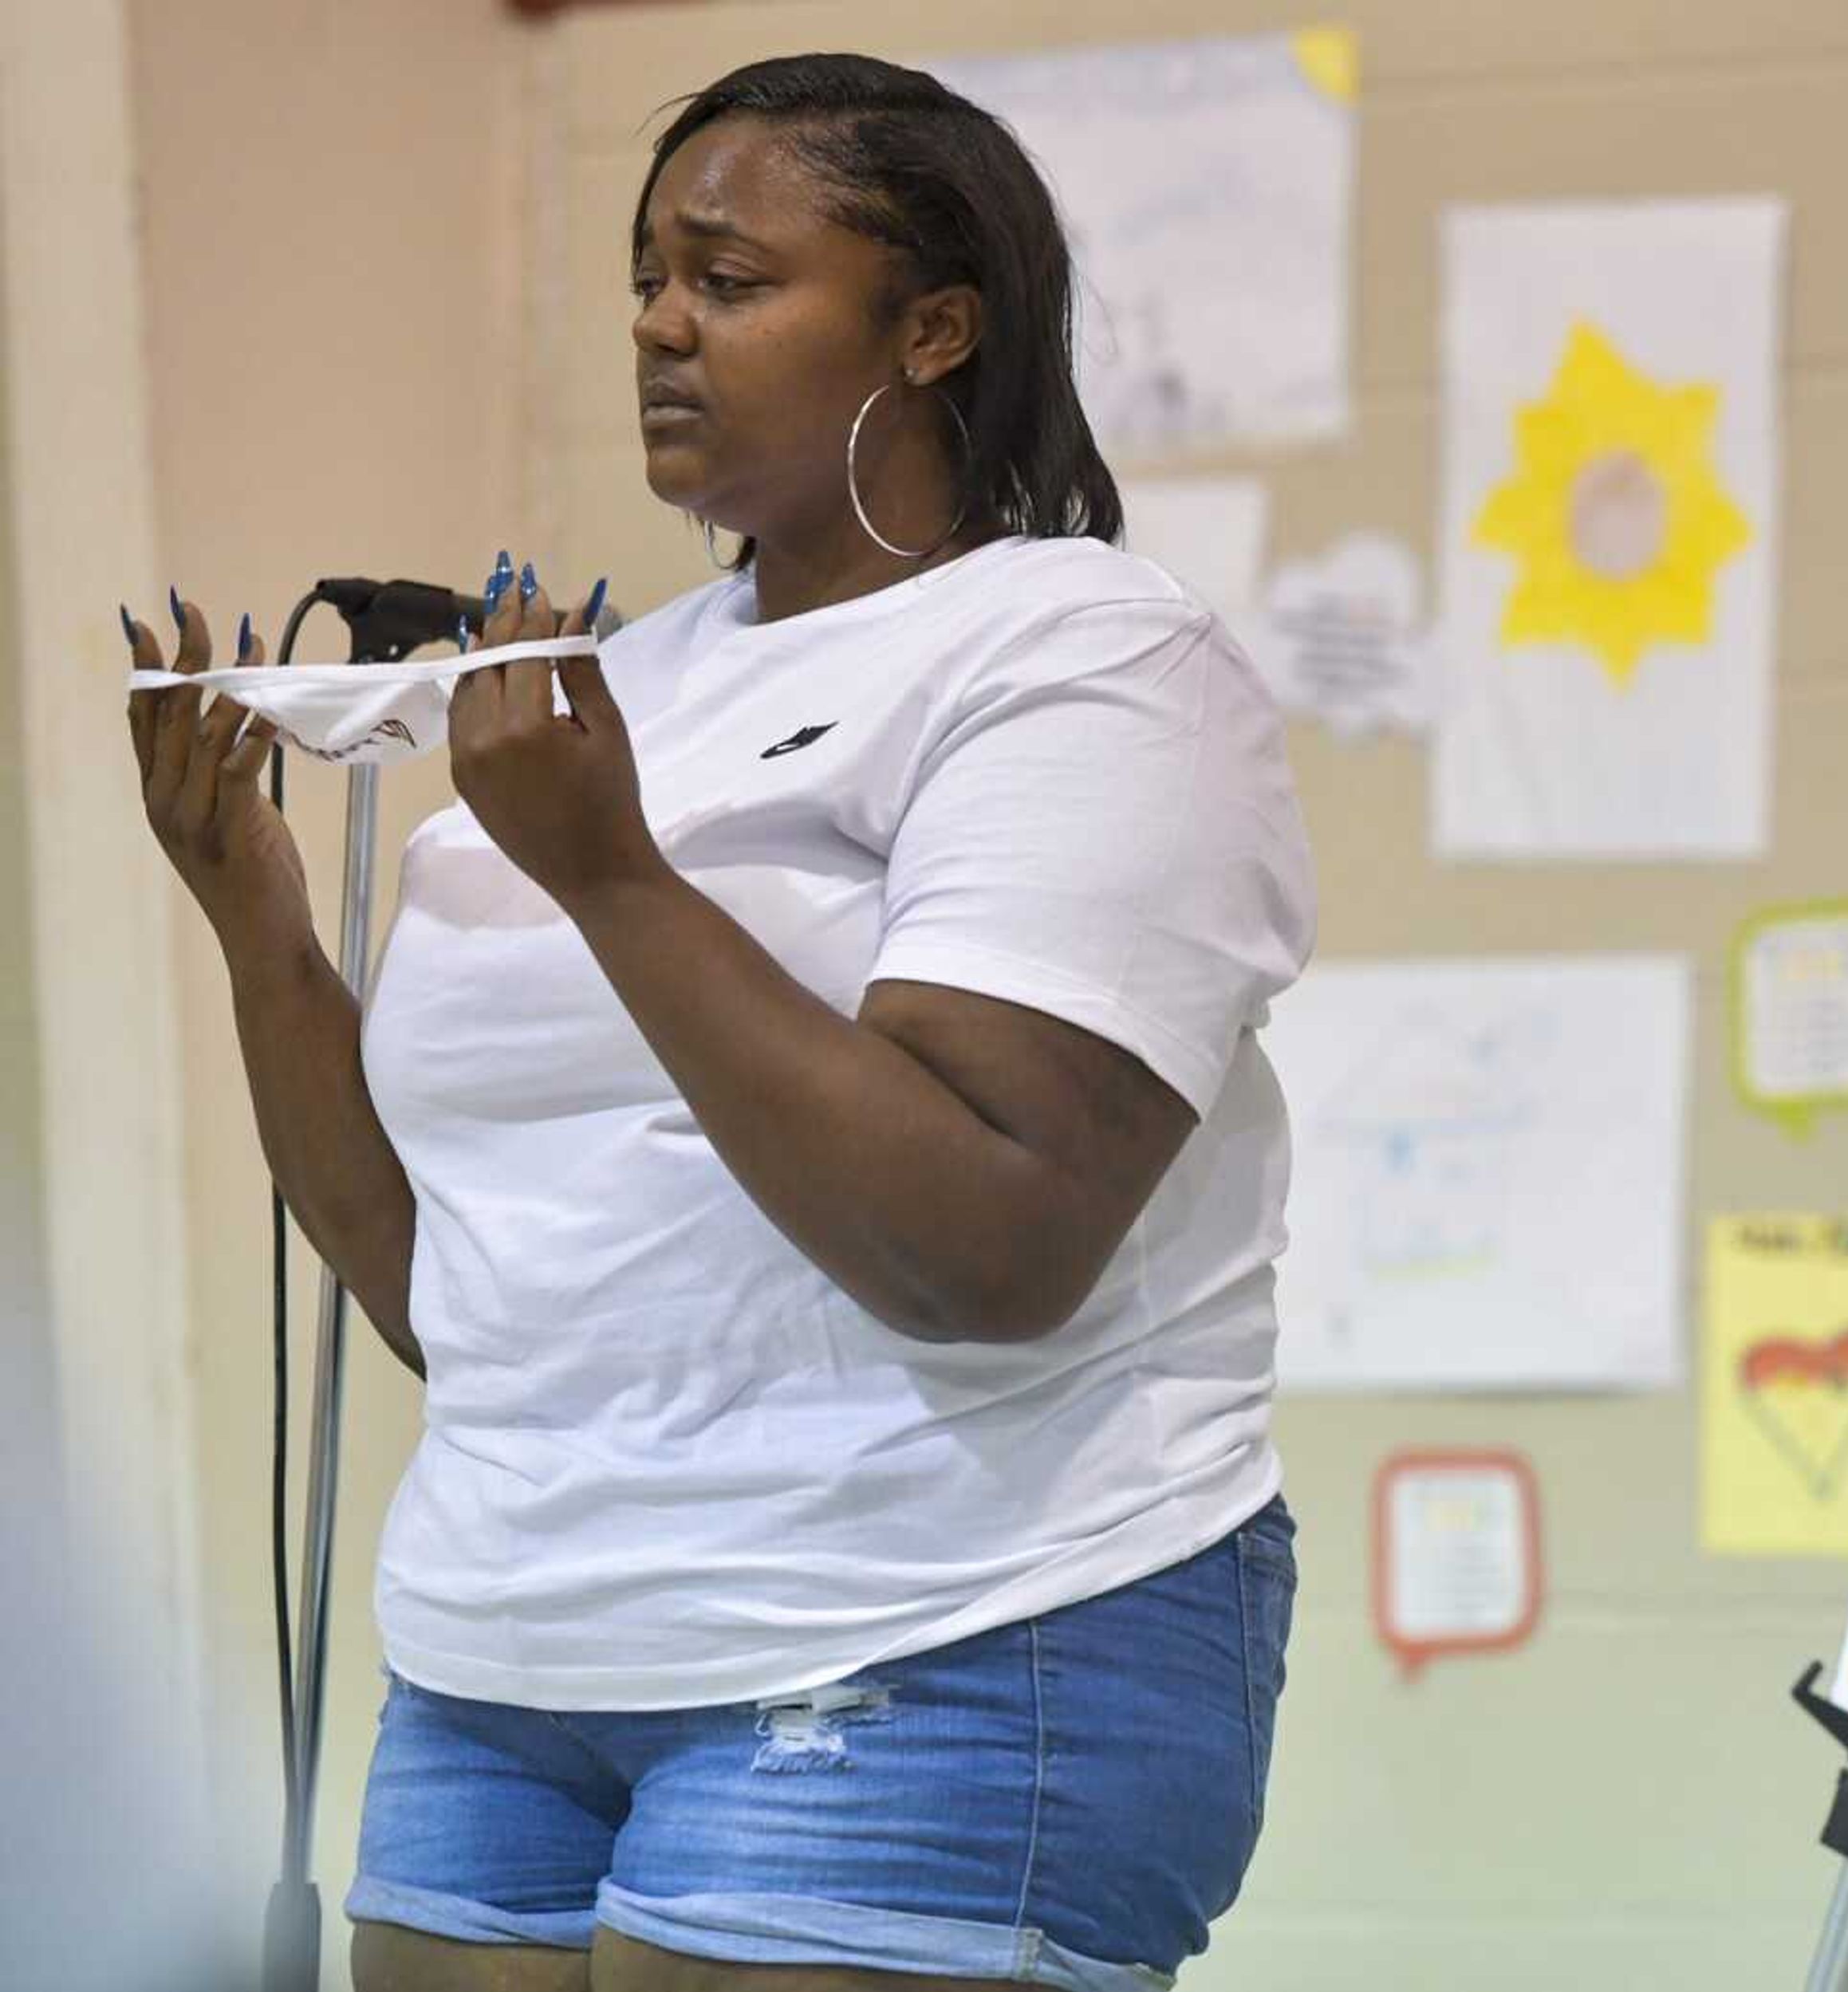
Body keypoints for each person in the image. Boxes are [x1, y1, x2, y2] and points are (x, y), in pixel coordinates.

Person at [121, 53, 1313, 1992]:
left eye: (730, 279)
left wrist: (616, 877)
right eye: (643, 279)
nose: (660, 323)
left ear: (932, 328)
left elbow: (985, 1243)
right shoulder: (616, 688)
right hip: (514, 1651)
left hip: (938, 1622)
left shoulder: (1079, 650)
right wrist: (260, 927)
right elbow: (462, 1300)